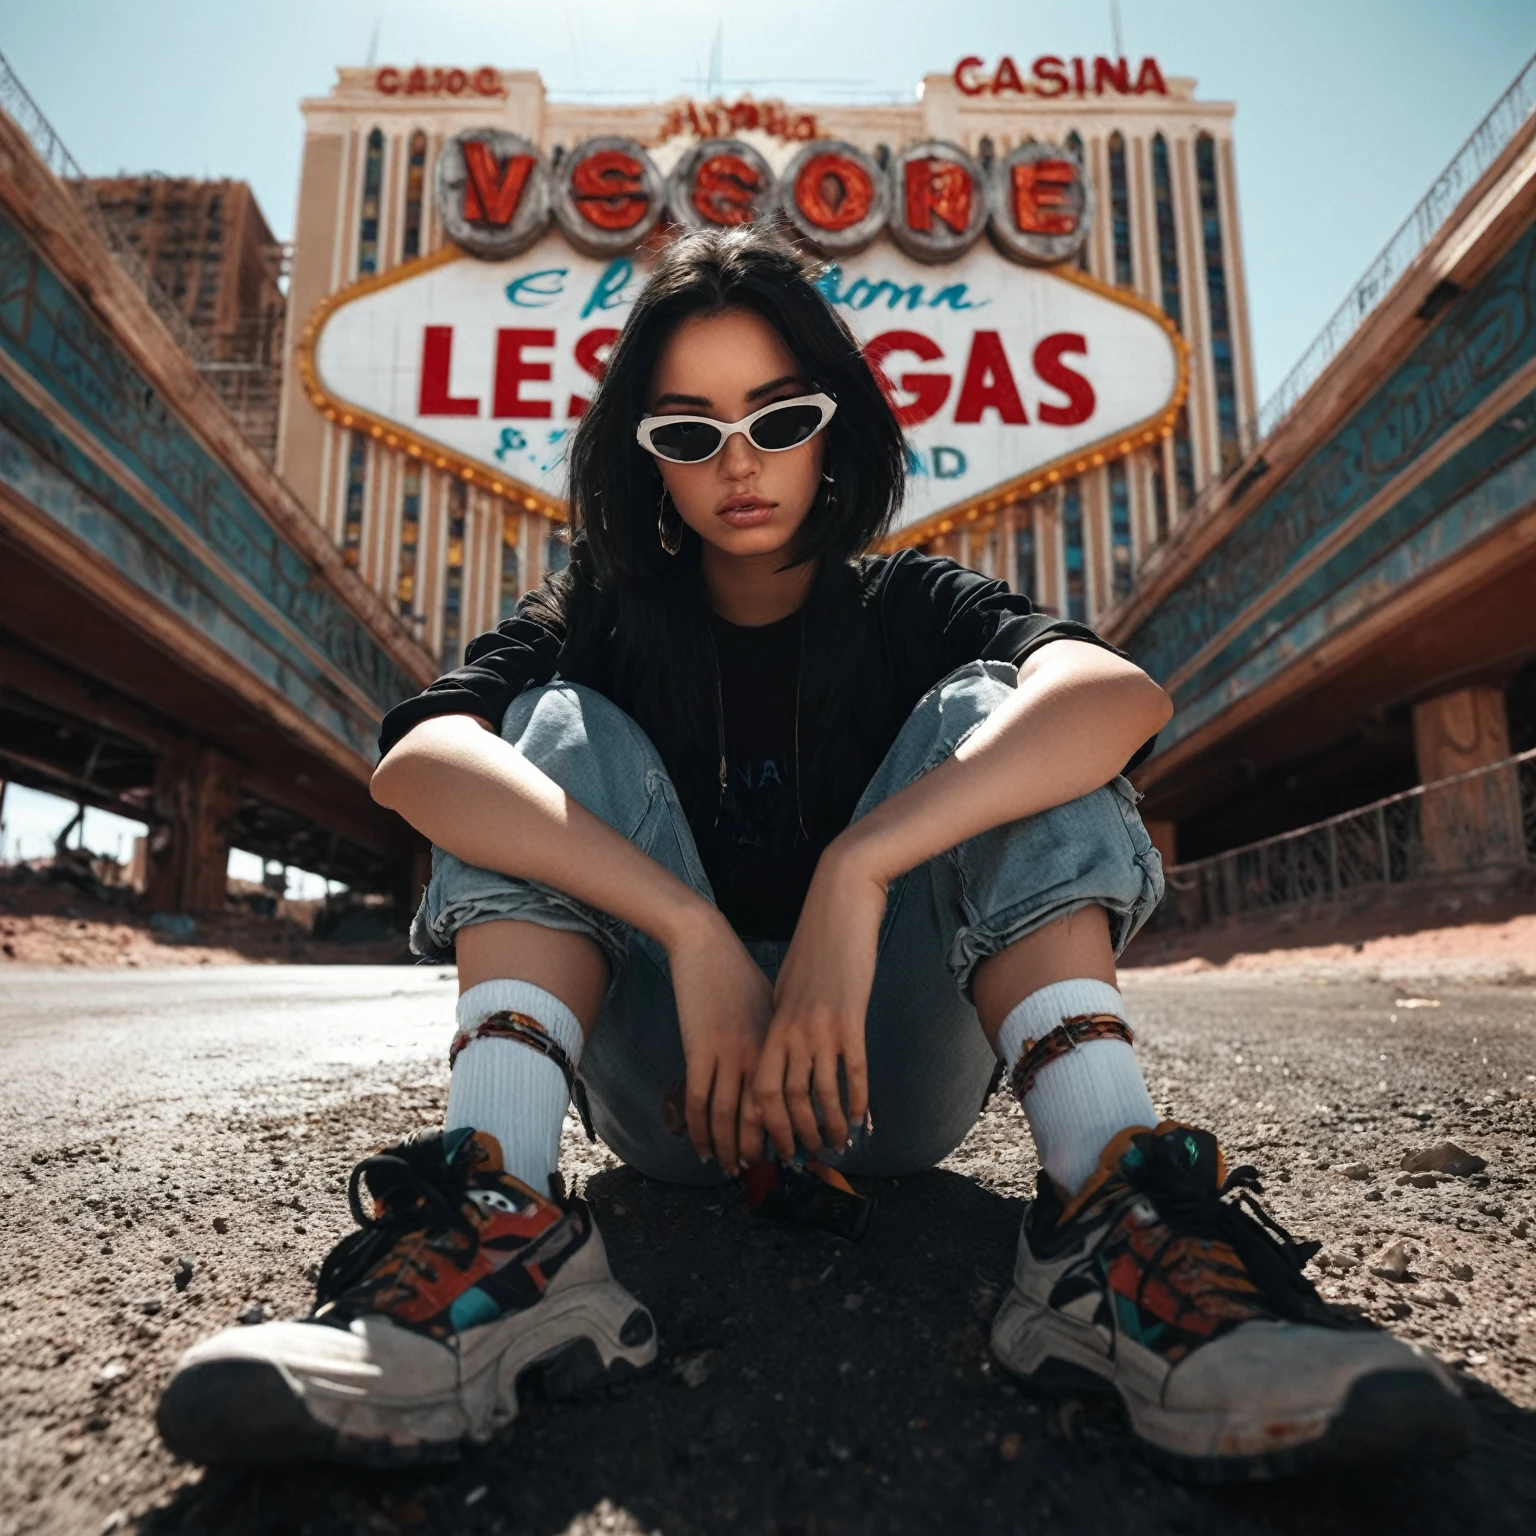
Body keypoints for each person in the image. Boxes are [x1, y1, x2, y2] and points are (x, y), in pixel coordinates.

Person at [157, 226, 1471, 1479]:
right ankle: (497, 1232)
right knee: (544, 728)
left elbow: (1117, 699)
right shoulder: (598, 616)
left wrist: (861, 874)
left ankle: (1113, 1235)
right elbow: (419, 762)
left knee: (997, 717)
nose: (743, 462)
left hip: (883, 1086)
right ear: (646, 458)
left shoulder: (916, 603)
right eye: (691, 432)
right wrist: (689, 928)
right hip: (675, 1100)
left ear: (835, 423)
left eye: (780, 418)